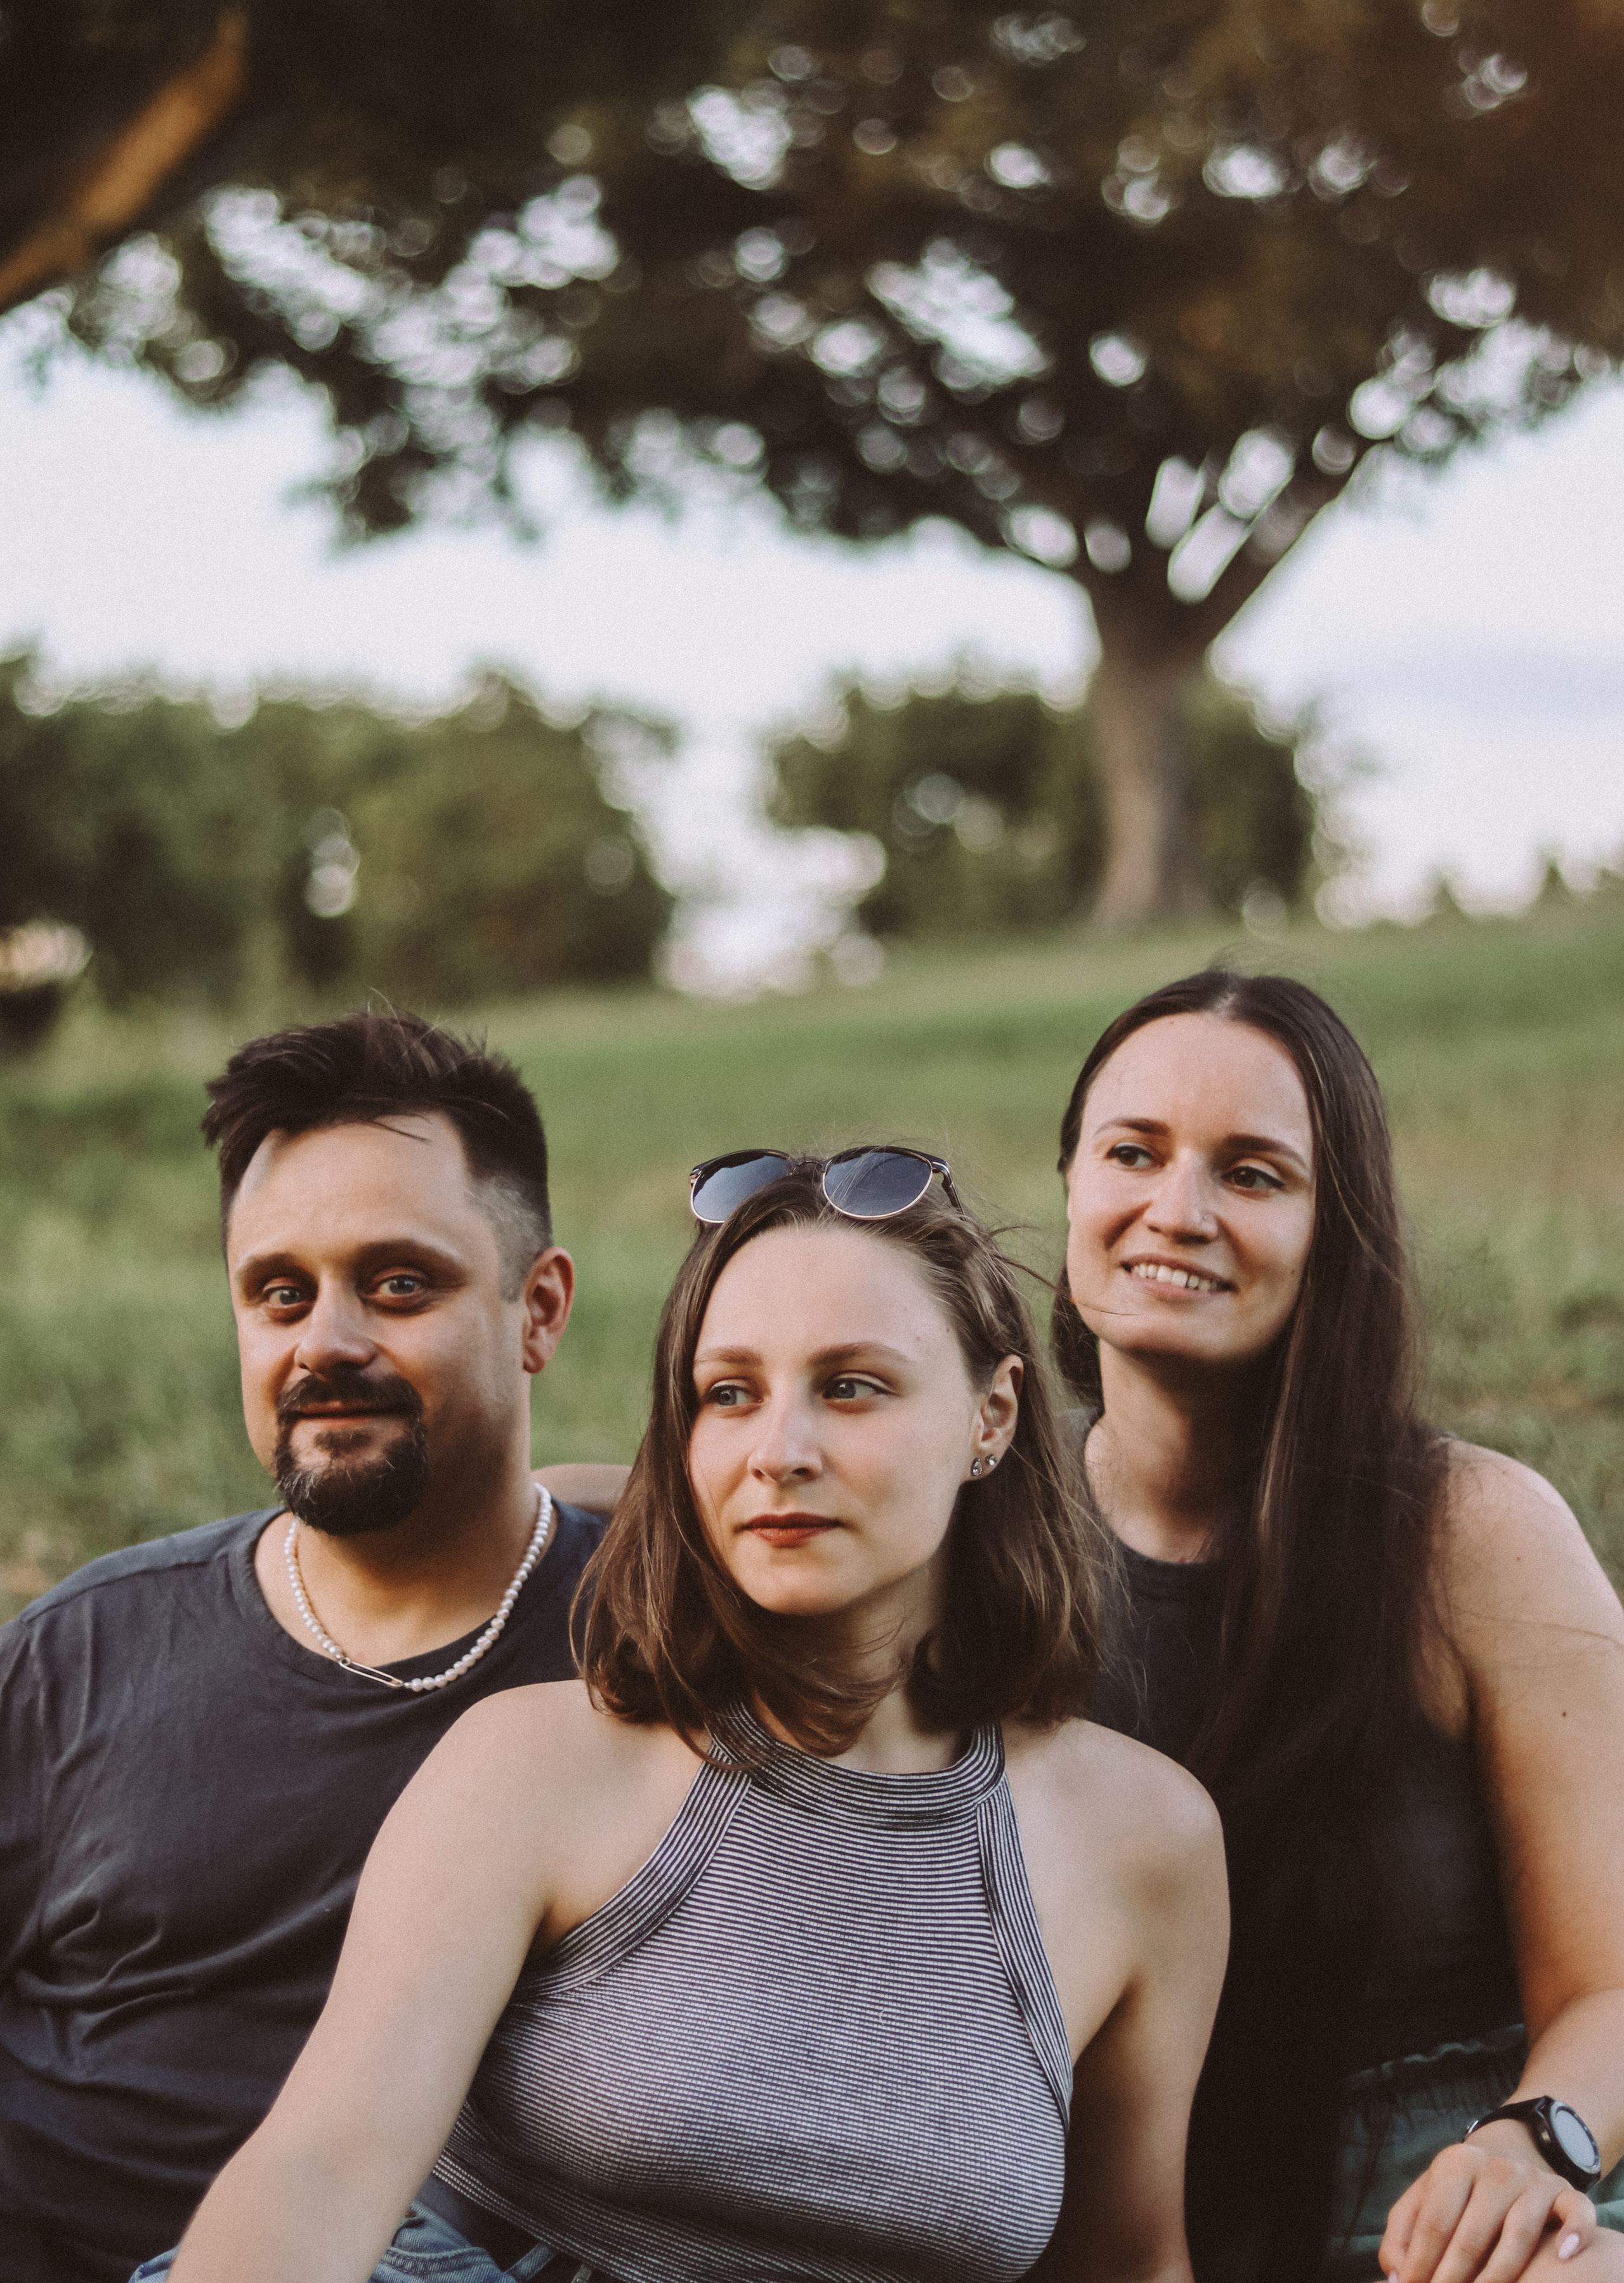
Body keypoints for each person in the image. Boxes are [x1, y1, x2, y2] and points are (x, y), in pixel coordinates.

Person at [153, 1144, 1228, 2283]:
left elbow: (1129, 2262)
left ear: (993, 1414)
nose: (781, 1452)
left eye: (853, 1385)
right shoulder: (538, 1763)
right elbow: (321, 2165)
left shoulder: (1141, 1842)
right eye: (729, 1394)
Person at [0, 1009, 620, 2283]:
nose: (324, 1341)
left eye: (398, 1283)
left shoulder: (655, 1641)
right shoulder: (84, 1650)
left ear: (537, 1308)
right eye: (278, 1292)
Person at [1056, 969, 1624, 2283]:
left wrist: (1536, 2141)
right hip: (1108, 2226)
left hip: (1450, 2215)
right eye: (1130, 1152)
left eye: (1250, 1173)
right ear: (1074, 1185)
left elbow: (1612, 1982)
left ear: (1333, 1228)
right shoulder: (976, 1534)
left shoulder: (1470, 1529)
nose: (1173, 1209)